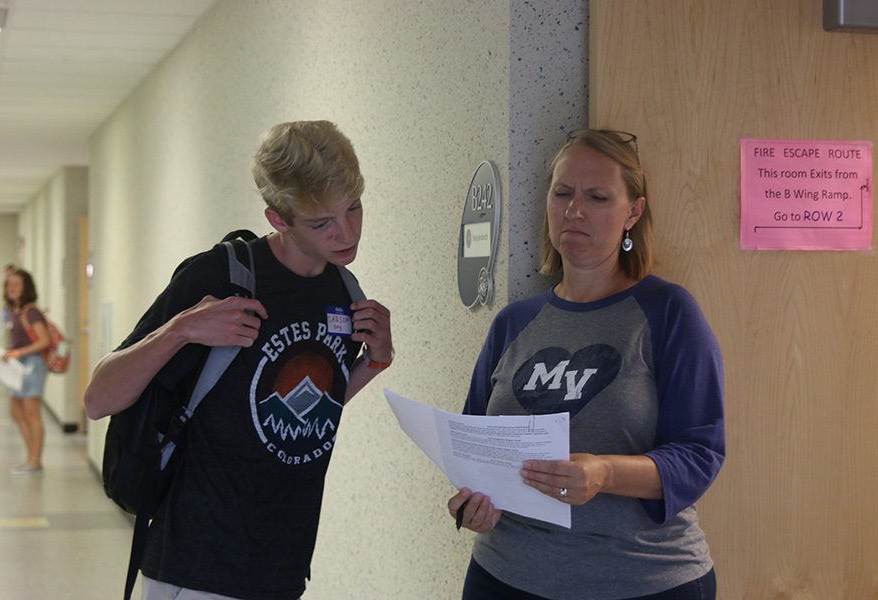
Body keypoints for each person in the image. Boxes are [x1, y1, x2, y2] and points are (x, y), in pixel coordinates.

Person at [84, 120, 394, 600]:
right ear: (278, 219)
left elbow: (311, 412)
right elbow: (97, 397)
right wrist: (182, 328)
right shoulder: (221, 276)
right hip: (196, 565)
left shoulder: (344, 293)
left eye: (353, 208)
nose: (347, 232)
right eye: (321, 223)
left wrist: (374, 363)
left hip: (281, 564)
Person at [447, 129, 725, 600]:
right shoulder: (514, 322)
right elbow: (474, 446)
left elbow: (700, 455)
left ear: (632, 212)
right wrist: (472, 502)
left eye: (597, 197)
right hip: (504, 576)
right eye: (562, 193)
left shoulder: (668, 312)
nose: (574, 210)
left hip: (642, 580)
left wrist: (604, 473)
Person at [3, 268, 50, 474]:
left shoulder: (30, 311)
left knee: (32, 414)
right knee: (16, 411)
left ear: (26, 288)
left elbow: (44, 341)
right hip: (20, 365)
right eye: (9, 285)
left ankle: (35, 460)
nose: (11, 288)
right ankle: (31, 456)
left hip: (33, 365)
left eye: (16, 285)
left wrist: (17, 352)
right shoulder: (16, 311)